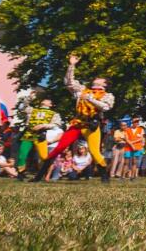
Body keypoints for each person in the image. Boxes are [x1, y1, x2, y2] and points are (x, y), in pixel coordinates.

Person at [36, 54, 114, 182]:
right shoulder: (83, 90)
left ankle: (104, 176)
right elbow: (69, 83)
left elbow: (105, 107)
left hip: (91, 125)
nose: (96, 78)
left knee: (94, 152)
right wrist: (72, 65)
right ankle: (39, 176)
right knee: (59, 148)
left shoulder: (107, 95)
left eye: (100, 79)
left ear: (104, 84)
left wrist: (90, 99)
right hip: (77, 123)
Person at [13, 93, 62, 180]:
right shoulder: (32, 110)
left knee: (44, 157)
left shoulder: (54, 114)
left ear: (51, 105)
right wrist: (29, 98)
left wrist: (43, 125)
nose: (45, 100)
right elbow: (22, 107)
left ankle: (40, 175)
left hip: (40, 136)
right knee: (22, 155)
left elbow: (56, 124)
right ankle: (20, 174)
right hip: (28, 135)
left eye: (48, 100)